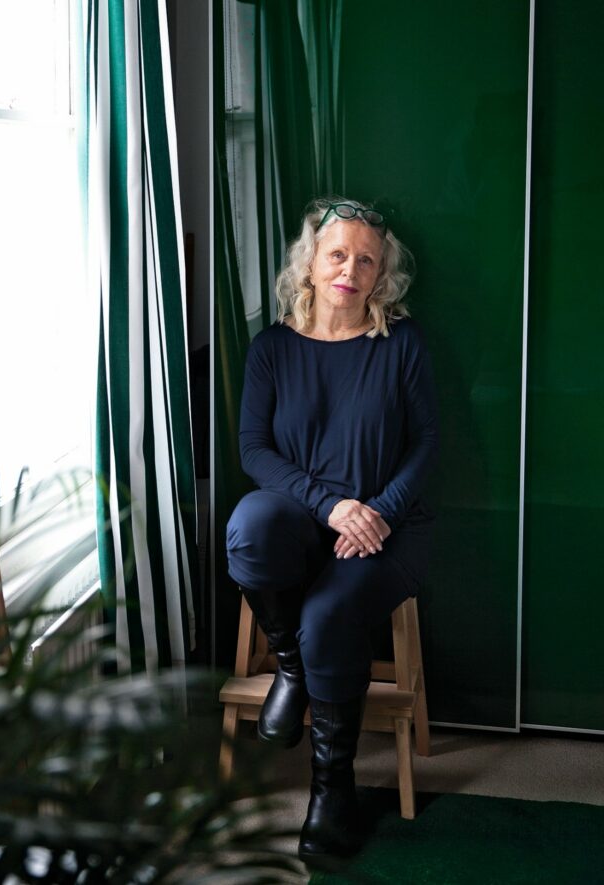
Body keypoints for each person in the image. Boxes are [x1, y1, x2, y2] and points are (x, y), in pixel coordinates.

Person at [226, 198, 438, 868]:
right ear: (311, 263)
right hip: (307, 518)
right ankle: (291, 665)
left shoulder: (401, 343)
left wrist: (378, 512)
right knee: (250, 526)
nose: (350, 269)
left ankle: (332, 788)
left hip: (388, 530)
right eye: (337, 254)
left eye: (366, 260)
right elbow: (254, 451)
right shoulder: (271, 348)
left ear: (380, 275)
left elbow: (426, 444)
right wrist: (331, 507)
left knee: (327, 615)